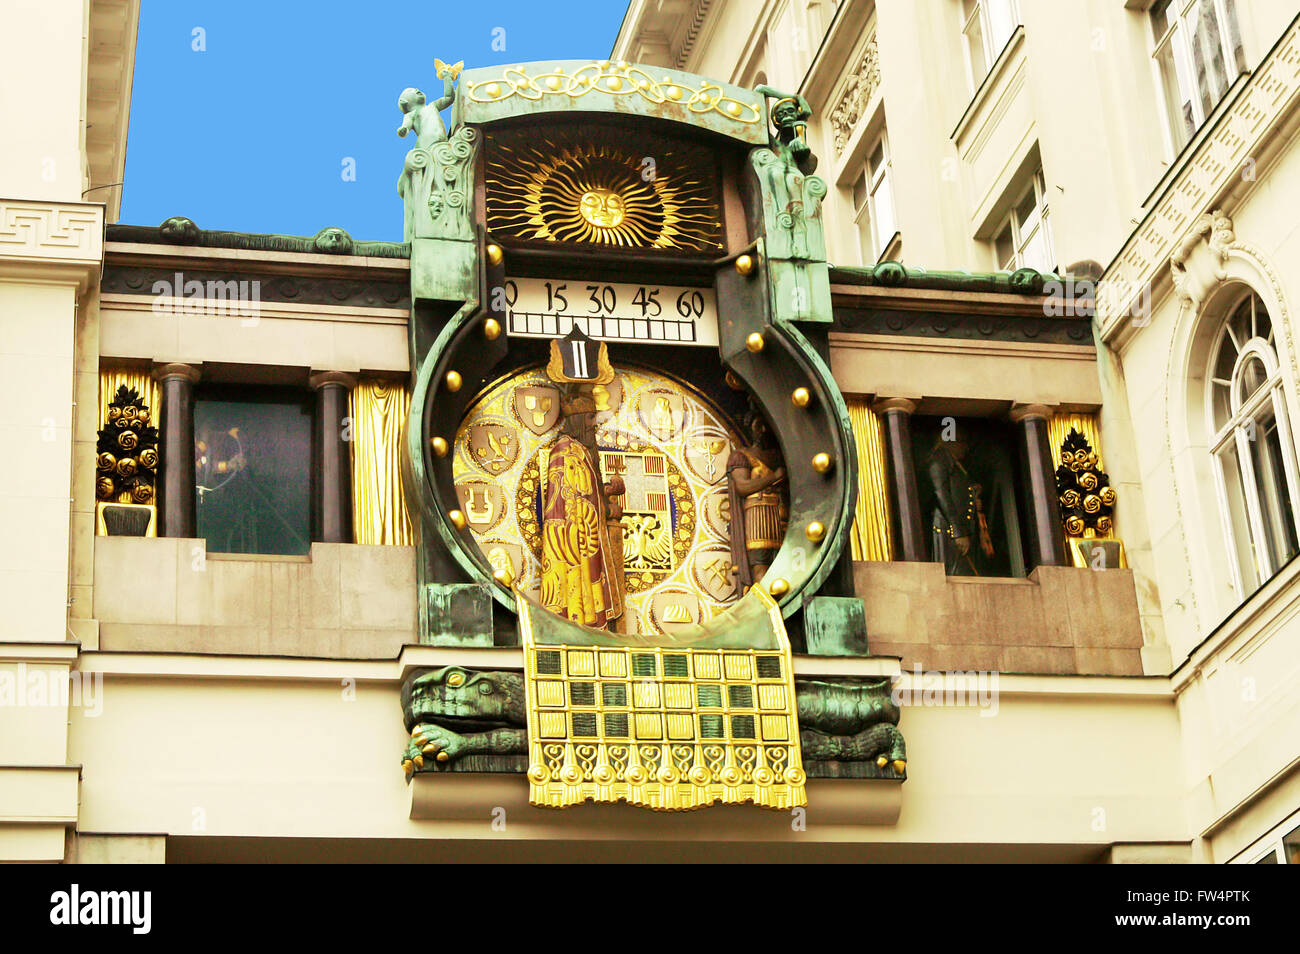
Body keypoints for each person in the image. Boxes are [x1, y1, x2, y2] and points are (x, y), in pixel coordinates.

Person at [539, 384, 625, 629]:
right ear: (576, 420)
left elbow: (586, 492)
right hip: (573, 539)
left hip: (586, 534)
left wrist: (607, 492)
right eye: (589, 419)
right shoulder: (564, 451)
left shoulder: (581, 451)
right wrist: (604, 508)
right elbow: (567, 500)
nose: (592, 425)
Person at [727, 408, 788, 590]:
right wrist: (773, 476)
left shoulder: (779, 456)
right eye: (758, 425)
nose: (763, 430)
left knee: (783, 566)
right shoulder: (742, 456)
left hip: (781, 515)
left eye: (766, 425)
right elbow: (742, 486)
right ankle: (763, 609)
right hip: (757, 518)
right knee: (760, 569)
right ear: (750, 428)